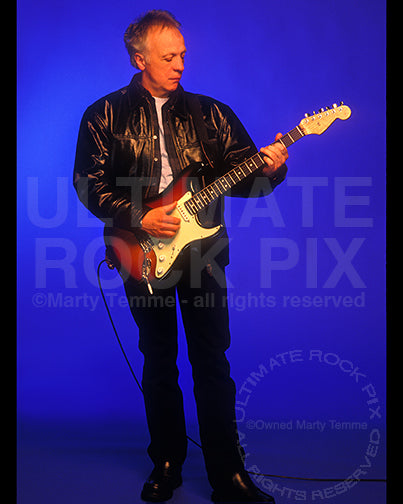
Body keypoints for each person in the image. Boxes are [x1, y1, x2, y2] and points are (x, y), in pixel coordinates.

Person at [73, 10, 288, 503]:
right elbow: (88, 182)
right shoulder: (103, 114)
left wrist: (272, 168)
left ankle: (228, 475)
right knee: (159, 360)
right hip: (140, 252)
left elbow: (248, 181)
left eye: (183, 55)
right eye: (168, 57)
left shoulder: (211, 113)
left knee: (213, 361)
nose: (179, 65)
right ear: (138, 58)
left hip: (204, 252)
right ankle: (167, 462)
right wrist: (137, 216)